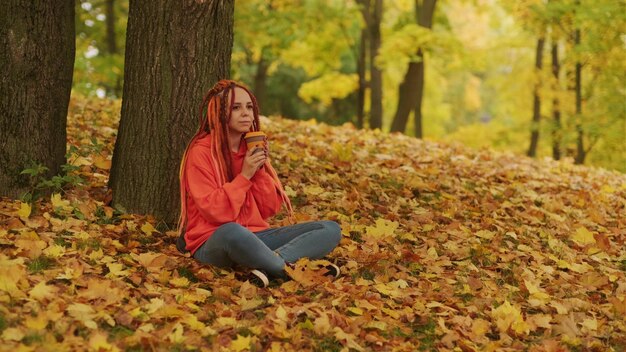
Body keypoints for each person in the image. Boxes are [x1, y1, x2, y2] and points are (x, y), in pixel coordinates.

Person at [175, 79, 341, 287]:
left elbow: (269, 208)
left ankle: (267, 267)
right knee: (232, 231)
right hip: (215, 241)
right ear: (218, 114)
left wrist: (259, 171)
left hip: (258, 238)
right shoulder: (200, 153)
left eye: (249, 107)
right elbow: (215, 212)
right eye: (236, 108)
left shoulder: (250, 150)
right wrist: (244, 176)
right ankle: (295, 270)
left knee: (329, 229)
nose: (245, 113)